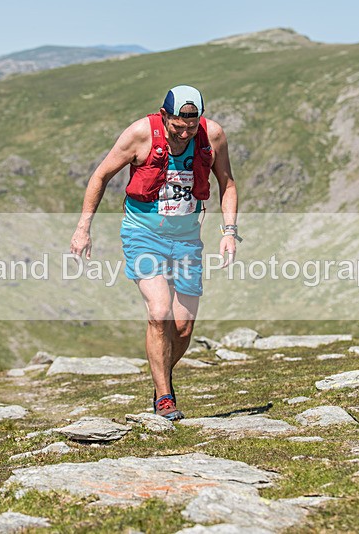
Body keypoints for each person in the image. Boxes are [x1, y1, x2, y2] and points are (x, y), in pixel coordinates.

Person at [69, 85, 239, 420]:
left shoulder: (213, 135)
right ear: (164, 116)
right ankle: (164, 397)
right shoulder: (139, 134)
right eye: (178, 126)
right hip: (143, 234)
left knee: (183, 328)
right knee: (159, 312)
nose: (184, 133)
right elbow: (100, 176)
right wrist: (82, 228)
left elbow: (227, 183)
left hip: (187, 239)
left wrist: (229, 232)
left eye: (191, 126)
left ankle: (159, 374)